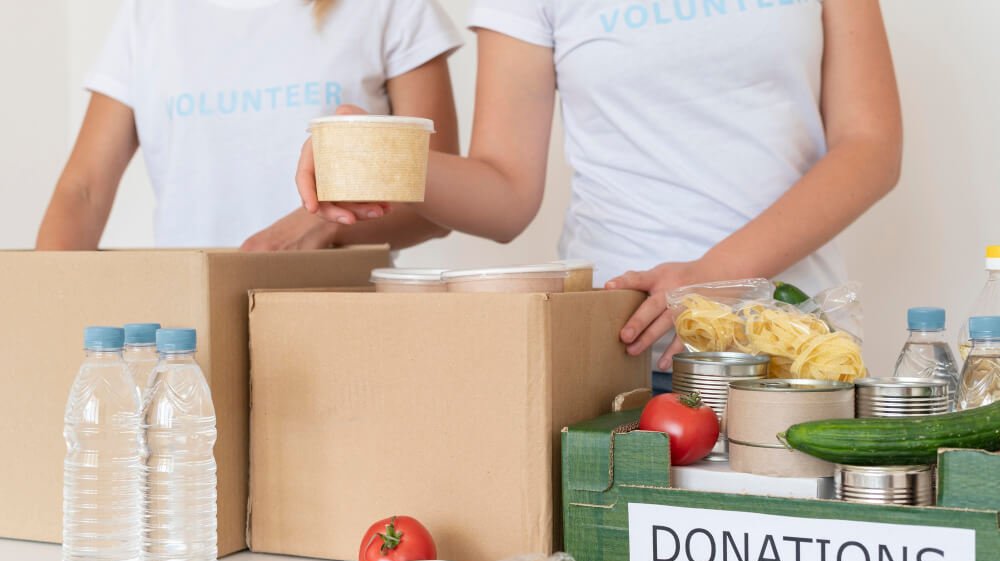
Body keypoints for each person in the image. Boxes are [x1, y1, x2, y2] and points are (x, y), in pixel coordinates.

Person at [295, 0, 902, 388]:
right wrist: (379, 149)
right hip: (620, 351)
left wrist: (716, 279)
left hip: (795, 349)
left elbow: (870, 147)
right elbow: (504, 193)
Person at [36, 0, 461, 252]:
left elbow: (440, 198)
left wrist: (323, 226)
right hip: (185, 332)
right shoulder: (152, 13)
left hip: (340, 317)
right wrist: (43, 312)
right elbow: (83, 191)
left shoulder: (392, 8)